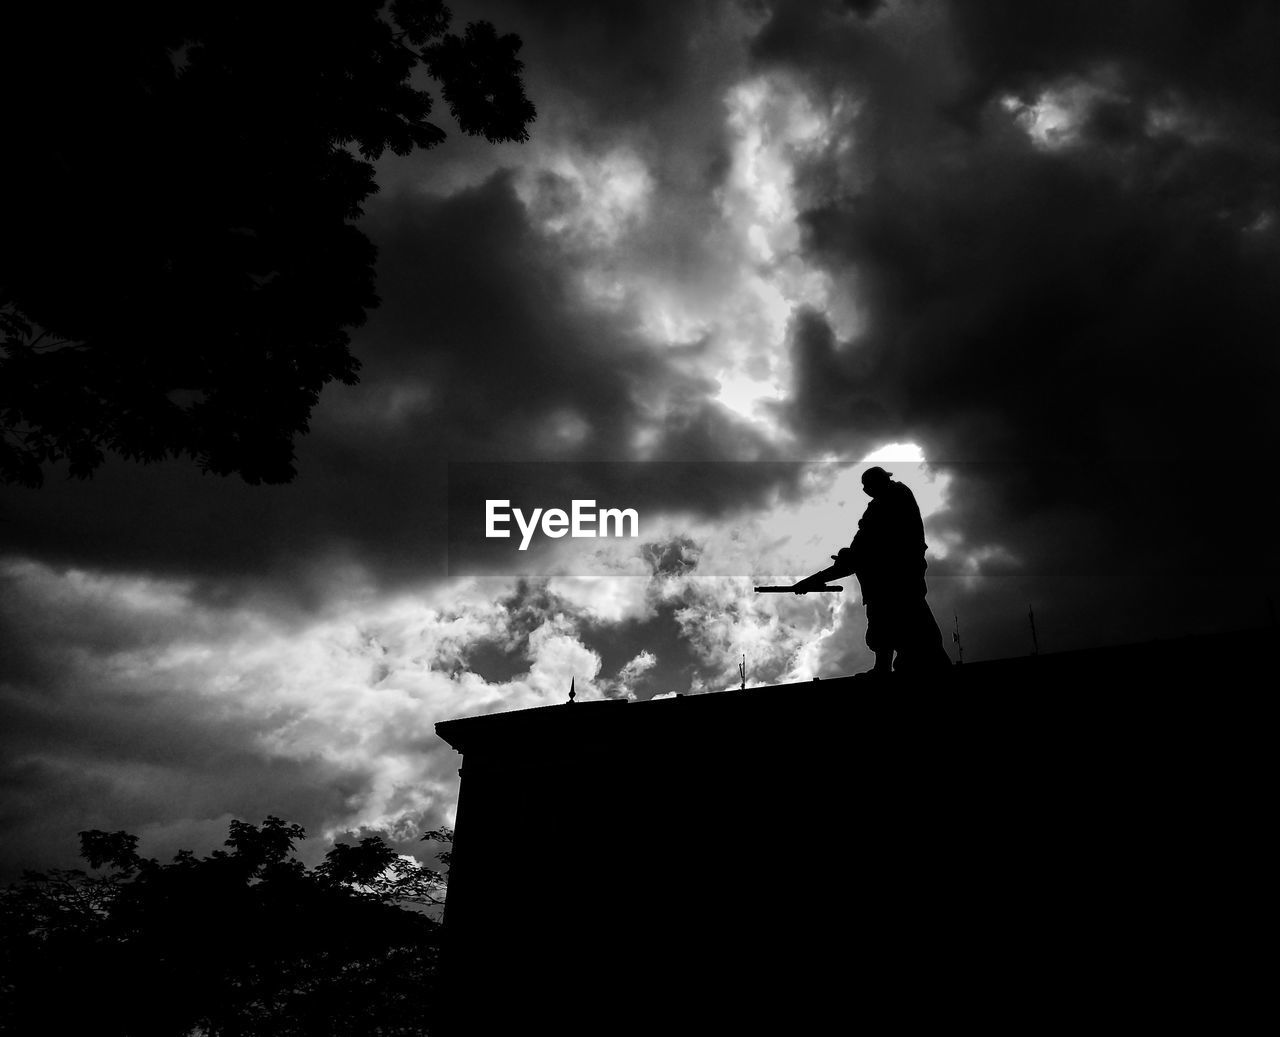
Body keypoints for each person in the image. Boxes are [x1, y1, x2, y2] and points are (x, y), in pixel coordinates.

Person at [847, 467, 950, 677]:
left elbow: (870, 537)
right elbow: (865, 539)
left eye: (868, 486)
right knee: (887, 622)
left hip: (895, 577)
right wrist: (850, 554)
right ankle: (886, 666)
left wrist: (852, 554)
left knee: (906, 621)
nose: (866, 490)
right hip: (890, 577)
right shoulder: (887, 500)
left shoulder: (893, 498)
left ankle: (904, 666)